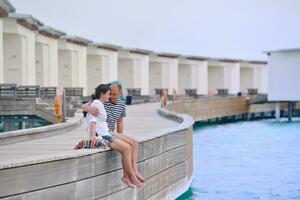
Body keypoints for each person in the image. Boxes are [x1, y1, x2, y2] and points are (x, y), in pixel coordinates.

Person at [85, 84, 143, 188]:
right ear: (103, 94)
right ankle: (130, 176)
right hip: (103, 134)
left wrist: (120, 137)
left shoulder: (112, 103)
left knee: (133, 143)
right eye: (109, 94)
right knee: (126, 148)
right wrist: (93, 137)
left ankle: (132, 172)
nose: (111, 96)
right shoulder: (99, 103)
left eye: (114, 94)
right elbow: (91, 116)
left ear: (120, 94)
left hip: (107, 132)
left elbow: (120, 122)